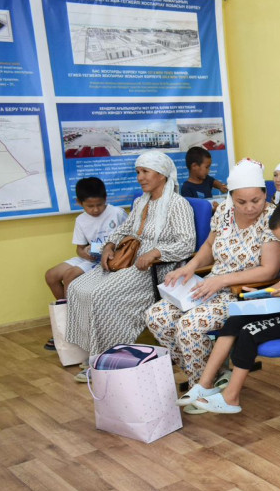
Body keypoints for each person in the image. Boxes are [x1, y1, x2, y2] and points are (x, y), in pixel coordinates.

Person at [181, 202, 280, 414]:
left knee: (249, 332)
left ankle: (231, 398)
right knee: (235, 321)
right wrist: (262, 292)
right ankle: (204, 384)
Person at [145, 158, 280, 391]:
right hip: (212, 285)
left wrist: (222, 280)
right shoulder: (224, 212)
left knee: (189, 326)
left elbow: (269, 269)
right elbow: (210, 246)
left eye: (256, 200)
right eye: (241, 202)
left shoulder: (272, 219)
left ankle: (202, 387)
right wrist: (190, 267)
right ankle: (209, 376)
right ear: (231, 197)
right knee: (156, 317)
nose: (249, 208)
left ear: (265, 194)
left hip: (243, 293)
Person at [66, 152, 195, 381]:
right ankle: (95, 353)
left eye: (145, 172)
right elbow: (124, 230)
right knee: (77, 287)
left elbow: (187, 243)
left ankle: (109, 360)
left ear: (162, 174)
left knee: (100, 295)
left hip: (157, 268)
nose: (140, 177)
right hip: (130, 259)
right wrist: (109, 245)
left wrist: (156, 252)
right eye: (138, 172)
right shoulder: (140, 202)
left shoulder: (178, 204)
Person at [43, 177, 126, 350]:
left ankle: (74, 328)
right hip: (91, 257)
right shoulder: (81, 220)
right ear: (79, 203)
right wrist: (86, 254)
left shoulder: (117, 213)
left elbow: (129, 240)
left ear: (106, 199)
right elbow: (79, 249)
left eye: (99, 205)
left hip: (112, 258)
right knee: (51, 275)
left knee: (70, 275)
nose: (95, 209)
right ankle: (69, 318)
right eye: (90, 206)